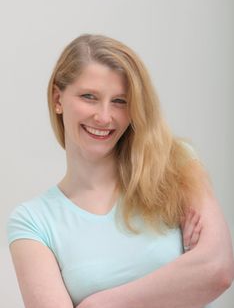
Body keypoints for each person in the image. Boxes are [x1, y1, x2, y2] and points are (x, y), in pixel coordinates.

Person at [7, 34, 234, 308]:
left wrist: (99, 304)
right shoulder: (33, 222)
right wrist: (183, 278)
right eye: (89, 97)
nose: (104, 117)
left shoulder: (175, 166)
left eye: (120, 101)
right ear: (58, 98)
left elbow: (217, 270)